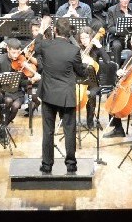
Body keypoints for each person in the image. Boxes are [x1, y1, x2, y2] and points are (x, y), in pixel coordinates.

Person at [35, 17, 86, 173]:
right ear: (69, 32)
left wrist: (42, 29)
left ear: (55, 30)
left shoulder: (45, 45)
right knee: (69, 131)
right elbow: (81, 72)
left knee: (48, 131)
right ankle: (71, 164)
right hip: (66, 96)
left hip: (48, 95)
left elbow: (36, 46)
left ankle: (46, 165)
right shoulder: (74, 50)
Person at [0, 38, 41, 142]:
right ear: (7, 49)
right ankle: (3, 130)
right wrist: (1, 77)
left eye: (18, 52)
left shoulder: (22, 61)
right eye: (13, 52)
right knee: (7, 101)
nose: (16, 55)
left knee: (16, 105)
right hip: (2, 91)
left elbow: (22, 83)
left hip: (17, 91)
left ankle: (1, 129)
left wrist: (31, 80)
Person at [105, 0, 132, 64]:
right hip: (118, 37)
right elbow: (110, 28)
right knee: (116, 46)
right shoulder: (111, 10)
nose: (125, 0)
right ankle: (117, 67)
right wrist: (121, 29)